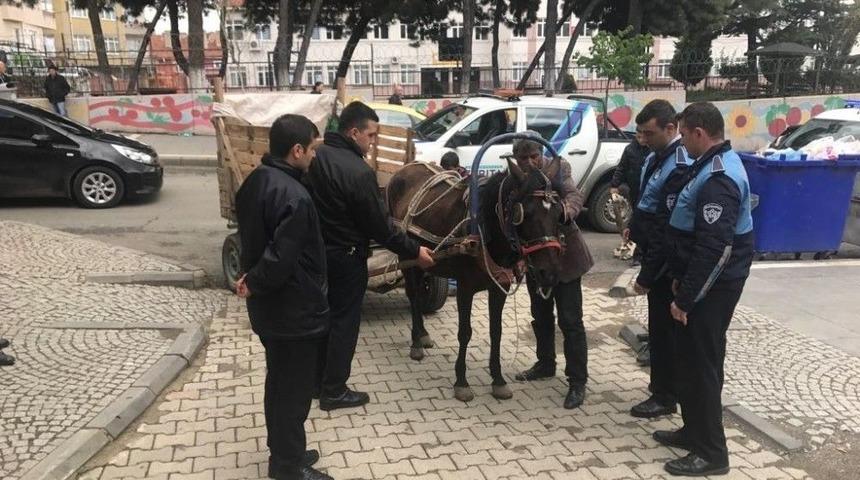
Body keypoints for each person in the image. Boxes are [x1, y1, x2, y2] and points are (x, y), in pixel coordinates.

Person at [306, 101, 435, 411]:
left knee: (325, 319)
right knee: (344, 323)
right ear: (354, 132)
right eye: (372, 135)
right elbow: (380, 228)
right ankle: (334, 390)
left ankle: (316, 382)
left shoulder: (318, 156)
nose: (373, 141)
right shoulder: (359, 172)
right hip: (348, 258)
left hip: (321, 253)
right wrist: (414, 251)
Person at [655, 102, 754, 477]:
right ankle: (693, 431)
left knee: (702, 368)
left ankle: (712, 454)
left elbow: (716, 249)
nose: (682, 141)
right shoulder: (713, 162)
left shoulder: (719, 178)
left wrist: (686, 298)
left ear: (699, 133)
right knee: (691, 363)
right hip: (702, 284)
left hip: (713, 289)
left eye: (684, 135)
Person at [234, 114, 332, 480]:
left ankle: (286, 450)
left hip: (273, 311)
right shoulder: (295, 194)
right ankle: (288, 468)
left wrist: (252, 282)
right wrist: (254, 282)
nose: (315, 157)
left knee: (279, 384)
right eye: (313, 149)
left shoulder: (256, 180)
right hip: (293, 311)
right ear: (296, 150)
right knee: (293, 392)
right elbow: (279, 259)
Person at [512, 138, 594, 410]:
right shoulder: (517, 177)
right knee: (540, 315)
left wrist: (563, 212)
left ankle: (577, 381)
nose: (528, 163)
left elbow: (573, 195)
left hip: (565, 255)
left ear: (541, 154)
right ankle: (545, 363)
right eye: (522, 158)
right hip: (536, 258)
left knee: (571, 321)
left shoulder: (559, 169)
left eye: (533, 156)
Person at [627, 100, 691, 420]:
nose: (644, 139)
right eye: (640, 133)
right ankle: (661, 387)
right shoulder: (656, 155)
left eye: (649, 133)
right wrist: (631, 225)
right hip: (650, 251)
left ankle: (665, 396)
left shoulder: (679, 163)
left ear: (671, 128)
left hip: (665, 262)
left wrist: (648, 275)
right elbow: (647, 202)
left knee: (664, 332)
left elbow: (667, 228)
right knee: (658, 330)